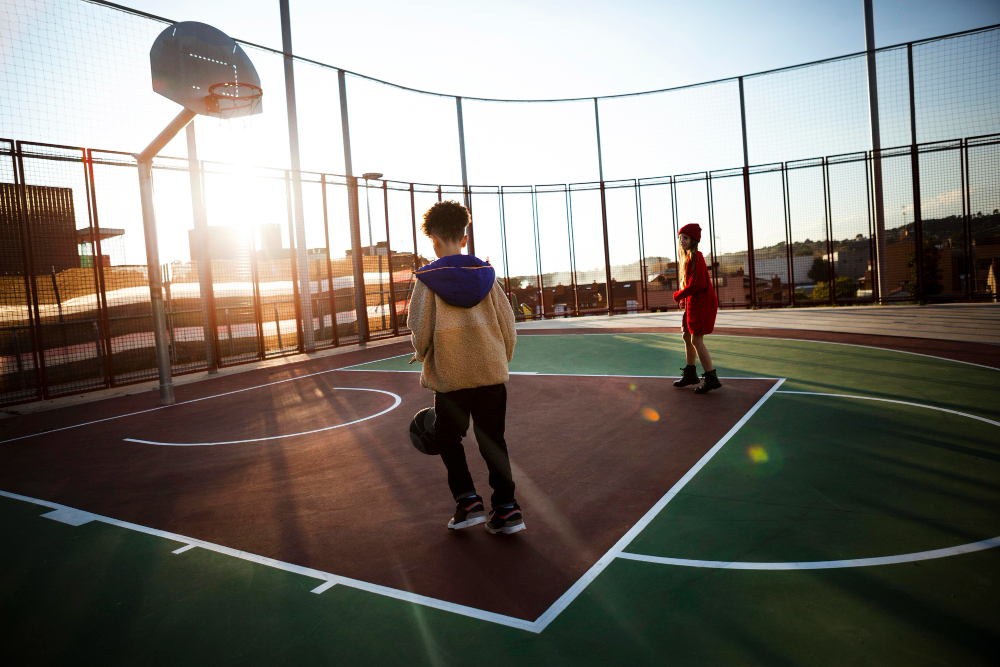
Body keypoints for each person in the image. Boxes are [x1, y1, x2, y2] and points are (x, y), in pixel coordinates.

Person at [407, 200, 524, 534]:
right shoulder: (486, 275)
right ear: (464, 236)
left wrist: (422, 352)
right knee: (493, 441)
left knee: (447, 438)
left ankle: (467, 501)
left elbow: (421, 328)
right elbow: (508, 325)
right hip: (490, 370)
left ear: (432, 239)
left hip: (452, 375)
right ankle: (507, 509)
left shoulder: (427, 279)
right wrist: (502, 358)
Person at [672, 223, 721, 394]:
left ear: (693, 240)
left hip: (702, 303)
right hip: (693, 302)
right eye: (680, 238)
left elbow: (697, 284)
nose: (681, 241)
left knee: (696, 340)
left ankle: (711, 378)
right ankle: (691, 374)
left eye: (685, 238)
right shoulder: (688, 257)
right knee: (686, 335)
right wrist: (685, 299)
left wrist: (679, 295)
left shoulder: (696, 256)